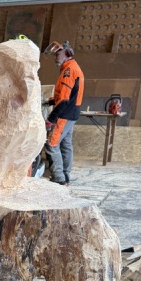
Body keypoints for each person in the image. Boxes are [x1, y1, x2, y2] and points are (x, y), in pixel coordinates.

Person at [43, 40, 84, 186]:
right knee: (66, 145)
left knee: (51, 145)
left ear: (67, 54)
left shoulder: (68, 71)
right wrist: (49, 101)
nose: (56, 58)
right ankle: (66, 176)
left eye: (58, 54)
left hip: (64, 114)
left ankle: (59, 178)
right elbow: (66, 95)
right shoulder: (72, 67)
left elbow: (64, 100)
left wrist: (51, 119)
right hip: (72, 113)